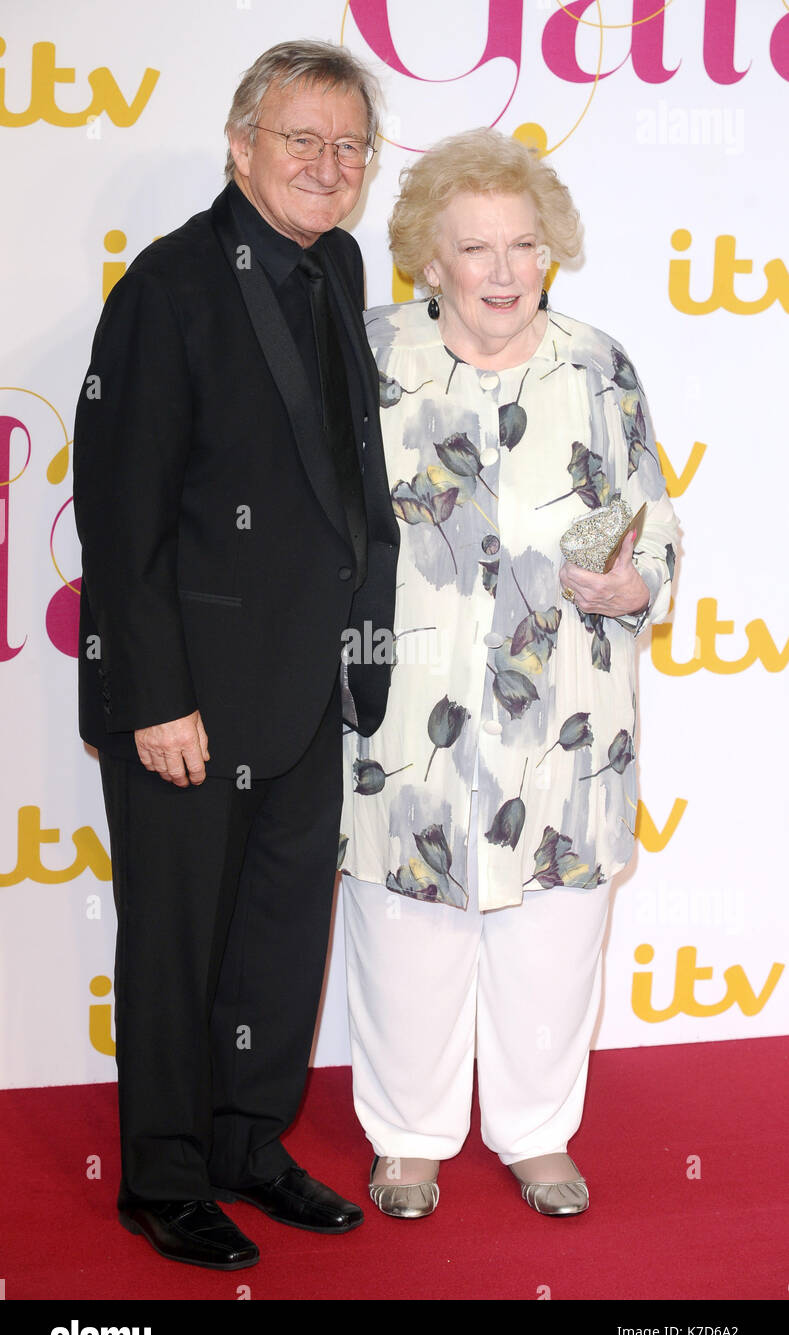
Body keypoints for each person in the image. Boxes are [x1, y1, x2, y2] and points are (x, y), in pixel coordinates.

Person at [73, 40, 398, 1269]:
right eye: (299, 139)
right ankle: (161, 1178)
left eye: (348, 146)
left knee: (274, 932)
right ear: (239, 142)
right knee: (174, 936)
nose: (327, 165)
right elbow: (122, 509)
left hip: (310, 680)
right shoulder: (170, 287)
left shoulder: (340, 264)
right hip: (192, 695)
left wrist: (361, 644)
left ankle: (247, 1144)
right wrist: (151, 695)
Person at [340, 128, 680, 1219]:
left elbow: (655, 515)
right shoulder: (367, 357)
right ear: (429, 261)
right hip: (407, 707)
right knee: (406, 925)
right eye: (474, 248)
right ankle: (407, 1136)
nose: (502, 271)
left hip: (568, 709)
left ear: (551, 252)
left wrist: (640, 585)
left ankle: (537, 1131)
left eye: (523, 245)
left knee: (554, 925)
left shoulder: (597, 363)